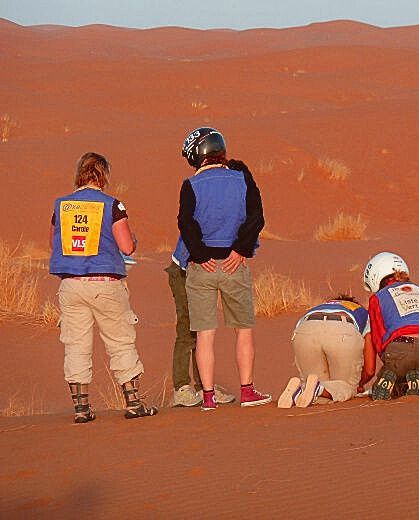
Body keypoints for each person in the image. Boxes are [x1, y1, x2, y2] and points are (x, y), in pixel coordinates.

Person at [49, 152, 157, 423]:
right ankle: (133, 403)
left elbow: (55, 245)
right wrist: (133, 240)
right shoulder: (112, 205)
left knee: (75, 345)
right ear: (103, 175)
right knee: (120, 341)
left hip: (71, 285)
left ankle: (81, 409)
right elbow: (126, 247)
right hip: (106, 284)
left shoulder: (61, 206)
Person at [178, 127, 270, 411]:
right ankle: (247, 391)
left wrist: (200, 253)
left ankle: (208, 398)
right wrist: (241, 249)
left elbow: (185, 222)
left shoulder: (191, 184)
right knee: (243, 329)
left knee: (205, 334)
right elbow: (257, 217)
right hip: (234, 265)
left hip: (201, 267)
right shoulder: (242, 179)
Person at [362, 252, 419, 400]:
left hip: (400, 349)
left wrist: (389, 360)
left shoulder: (377, 298)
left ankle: (393, 380)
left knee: (394, 376)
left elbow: (378, 337)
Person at [166, 236, 235, 407]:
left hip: (200, 271)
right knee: (187, 330)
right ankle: (181, 388)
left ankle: (204, 388)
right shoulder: (201, 211)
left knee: (201, 329)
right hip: (184, 270)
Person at [277, 294, 375, 409]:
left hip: (305, 330)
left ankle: (299, 391)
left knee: (315, 390)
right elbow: (370, 369)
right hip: (343, 329)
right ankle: (318, 389)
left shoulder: (318, 308)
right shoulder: (361, 312)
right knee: (346, 387)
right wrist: (359, 383)